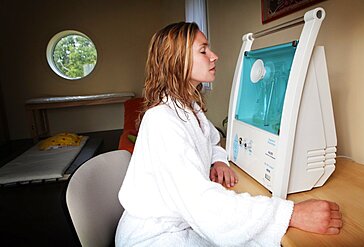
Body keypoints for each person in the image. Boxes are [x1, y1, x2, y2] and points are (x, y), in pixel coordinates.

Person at [115, 22, 342, 247]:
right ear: (176, 61)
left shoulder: (189, 109)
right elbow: (202, 204)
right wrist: (290, 214)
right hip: (157, 236)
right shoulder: (161, 120)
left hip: (184, 221)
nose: (214, 56)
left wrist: (218, 161)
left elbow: (211, 141)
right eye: (203, 50)